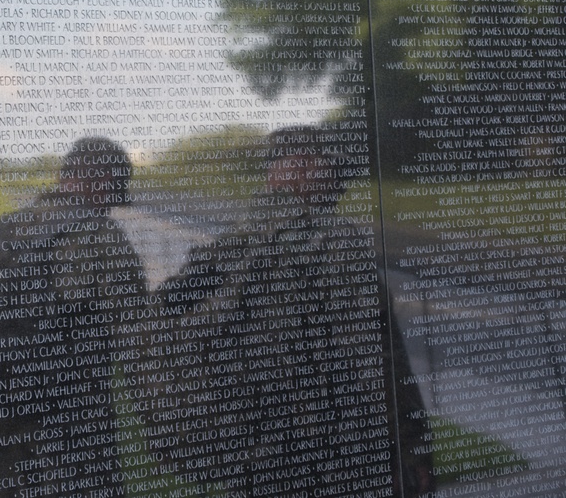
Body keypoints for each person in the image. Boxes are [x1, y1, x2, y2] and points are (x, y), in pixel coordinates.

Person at [156, 126, 434, 497]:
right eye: (333, 172)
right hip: (328, 454)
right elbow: (372, 354)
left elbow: (165, 312)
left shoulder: (229, 243)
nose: (340, 186)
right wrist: (411, 447)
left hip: (249, 452)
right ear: (300, 168)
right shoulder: (333, 238)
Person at [0, 137, 149, 498]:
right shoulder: (101, 237)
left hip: (3, 431)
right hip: (77, 434)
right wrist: (168, 429)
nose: (110, 209)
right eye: (112, 198)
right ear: (102, 184)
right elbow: (141, 343)